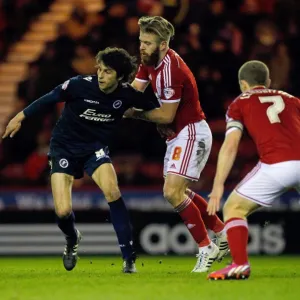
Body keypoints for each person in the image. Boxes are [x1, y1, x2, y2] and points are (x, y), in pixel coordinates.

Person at [2, 47, 159, 273]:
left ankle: (128, 258)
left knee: (113, 191)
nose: (101, 75)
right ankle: (72, 238)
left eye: (107, 72)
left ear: (120, 76)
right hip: (63, 149)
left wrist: (166, 122)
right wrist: (19, 117)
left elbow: (159, 109)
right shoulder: (79, 84)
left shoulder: (127, 95)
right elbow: (48, 99)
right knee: (63, 211)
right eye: (100, 70)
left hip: (94, 150)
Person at [127, 16, 229, 272]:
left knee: (172, 192)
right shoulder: (149, 60)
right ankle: (221, 231)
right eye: (141, 41)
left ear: (163, 45)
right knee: (177, 192)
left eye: (148, 43)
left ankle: (207, 247)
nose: (142, 47)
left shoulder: (172, 70)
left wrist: (133, 113)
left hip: (191, 132)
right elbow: (133, 92)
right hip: (177, 135)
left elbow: (166, 116)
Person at [207, 60, 300, 280]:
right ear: (267, 82)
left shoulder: (239, 103)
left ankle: (239, 265)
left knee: (234, 208)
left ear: (243, 85)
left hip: (276, 164)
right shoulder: (293, 100)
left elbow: (231, 145)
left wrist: (218, 184)